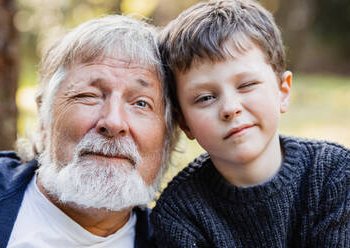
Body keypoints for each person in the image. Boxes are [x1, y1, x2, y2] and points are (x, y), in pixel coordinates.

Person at [150, 0, 350, 247]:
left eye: (246, 85)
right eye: (205, 98)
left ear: (282, 91)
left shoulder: (334, 173)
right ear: (185, 123)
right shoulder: (179, 214)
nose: (230, 108)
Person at [0, 15, 178, 248]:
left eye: (141, 103)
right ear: (45, 117)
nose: (113, 122)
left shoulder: (183, 239)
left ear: (168, 138)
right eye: (88, 96)